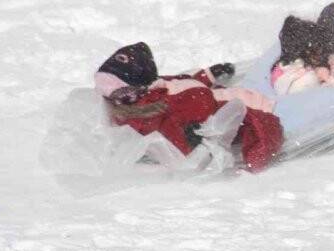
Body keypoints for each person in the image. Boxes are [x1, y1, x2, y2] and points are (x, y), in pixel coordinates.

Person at [94, 42, 283, 171]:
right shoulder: (156, 111)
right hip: (257, 107)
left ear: (144, 86)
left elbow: (182, 81)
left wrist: (208, 75)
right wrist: (195, 141)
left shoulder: (161, 94)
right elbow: (185, 152)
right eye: (108, 93)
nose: (115, 100)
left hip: (240, 99)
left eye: (123, 93)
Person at [270, 16, 334, 96]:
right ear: (305, 51)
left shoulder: (284, 72)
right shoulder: (308, 80)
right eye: (318, 48)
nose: (322, 54)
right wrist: (329, 80)